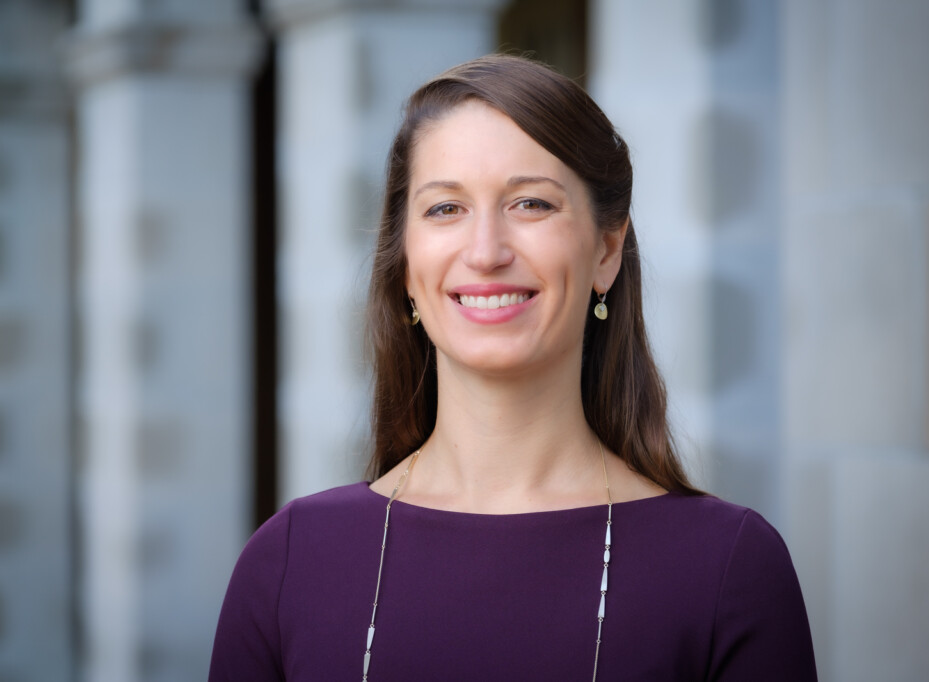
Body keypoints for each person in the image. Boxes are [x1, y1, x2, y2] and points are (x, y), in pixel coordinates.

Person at [209, 54, 817, 681]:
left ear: (607, 250)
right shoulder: (289, 561)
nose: (486, 252)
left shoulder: (729, 569)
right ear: (406, 265)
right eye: (446, 208)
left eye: (530, 204)